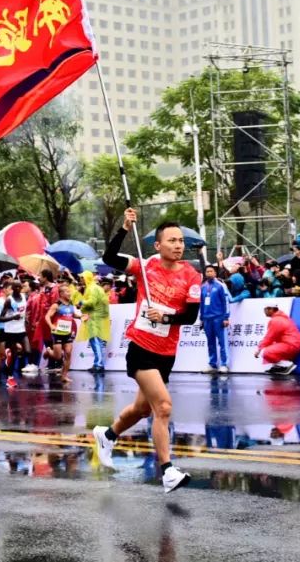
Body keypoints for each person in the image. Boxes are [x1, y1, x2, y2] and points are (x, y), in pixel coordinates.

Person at [93, 208, 201, 493]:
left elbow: (190, 316)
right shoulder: (145, 266)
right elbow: (109, 258)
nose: (178, 245)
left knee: (142, 409)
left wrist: (164, 317)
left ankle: (107, 435)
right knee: (162, 407)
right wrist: (124, 228)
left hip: (167, 352)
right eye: (172, 241)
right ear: (157, 245)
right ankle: (167, 471)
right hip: (141, 346)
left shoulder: (192, 276)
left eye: (181, 241)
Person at [45, 284, 81, 384]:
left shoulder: (70, 304)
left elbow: (73, 315)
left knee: (68, 353)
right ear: (61, 293)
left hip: (68, 332)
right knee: (58, 357)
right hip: (57, 332)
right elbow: (47, 316)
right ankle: (49, 351)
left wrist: (80, 317)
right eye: (67, 291)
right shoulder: (56, 305)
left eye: (69, 291)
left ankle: (64, 376)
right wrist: (51, 326)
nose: (69, 293)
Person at [253, 303, 300, 375]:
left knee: (265, 351)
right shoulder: (281, 318)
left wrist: (259, 349)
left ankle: (287, 365)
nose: (264, 311)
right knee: (268, 346)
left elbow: (269, 337)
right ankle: (279, 366)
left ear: (271, 309)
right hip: (292, 344)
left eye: (266, 309)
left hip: (290, 345)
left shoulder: (276, 320)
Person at [199, 265, 231, 374]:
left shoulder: (221, 285)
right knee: (210, 342)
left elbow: (226, 301)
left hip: (219, 318)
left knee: (222, 342)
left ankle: (224, 364)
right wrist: (201, 318)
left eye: (211, 271)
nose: (208, 273)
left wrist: (226, 317)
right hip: (207, 319)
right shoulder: (203, 287)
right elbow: (201, 303)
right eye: (207, 271)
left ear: (215, 273)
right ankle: (212, 364)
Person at [80, 275, 112, 373]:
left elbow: (91, 302)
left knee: (95, 341)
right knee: (97, 342)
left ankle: (98, 365)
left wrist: (81, 302)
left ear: (86, 278)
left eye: (82, 277)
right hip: (98, 318)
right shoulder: (96, 289)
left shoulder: (92, 288)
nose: (80, 279)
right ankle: (98, 363)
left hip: (94, 319)